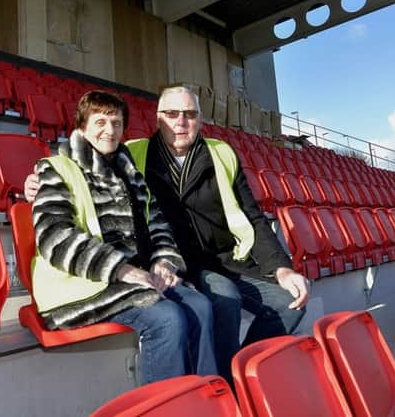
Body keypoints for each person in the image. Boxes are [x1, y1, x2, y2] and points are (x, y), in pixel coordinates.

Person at [26, 86, 309, 383]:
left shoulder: (198, 157)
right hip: (91, 281)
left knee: (259, 301)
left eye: (189, 115)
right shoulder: (125, 157)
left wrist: (282, 268)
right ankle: (195, 395)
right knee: (193, 311)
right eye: (172, 114)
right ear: (158, 119)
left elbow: (163, 222)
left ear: (200, 119)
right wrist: (35, 181)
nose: (181, 122)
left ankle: (226, 382)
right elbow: (55, 229)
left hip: (214, 260)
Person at [31, 90, 217, 385]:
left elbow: (156, 222)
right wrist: (120, 268)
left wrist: (164, 262)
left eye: (117, 123)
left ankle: (204, 395)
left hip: (132, 278)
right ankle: (166, 407)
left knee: (202, 306)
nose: (110, 129)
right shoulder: (56, 169)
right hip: (84, 284)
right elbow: (53, 236)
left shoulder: (130, 173)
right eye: (100, 121)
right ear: (82, 126)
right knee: (168, 319)